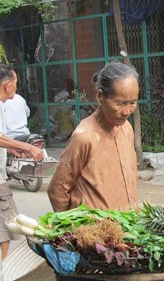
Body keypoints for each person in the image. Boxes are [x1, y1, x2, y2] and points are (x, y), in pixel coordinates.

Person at [47, 62, 139, 212]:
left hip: (127, 229)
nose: (127, 111)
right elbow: (57, 190)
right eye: (120, 103)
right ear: (100, 96)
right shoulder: (84, 137)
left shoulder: (126, 129)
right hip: (94, 232)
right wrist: (73, 230)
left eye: (132, 103)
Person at [0, 64, 44, 260]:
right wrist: (29, 147)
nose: (16, 89)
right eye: (15, 84)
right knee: (5, 230)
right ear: (7, 85)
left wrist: (10, 148)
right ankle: (0, 276)